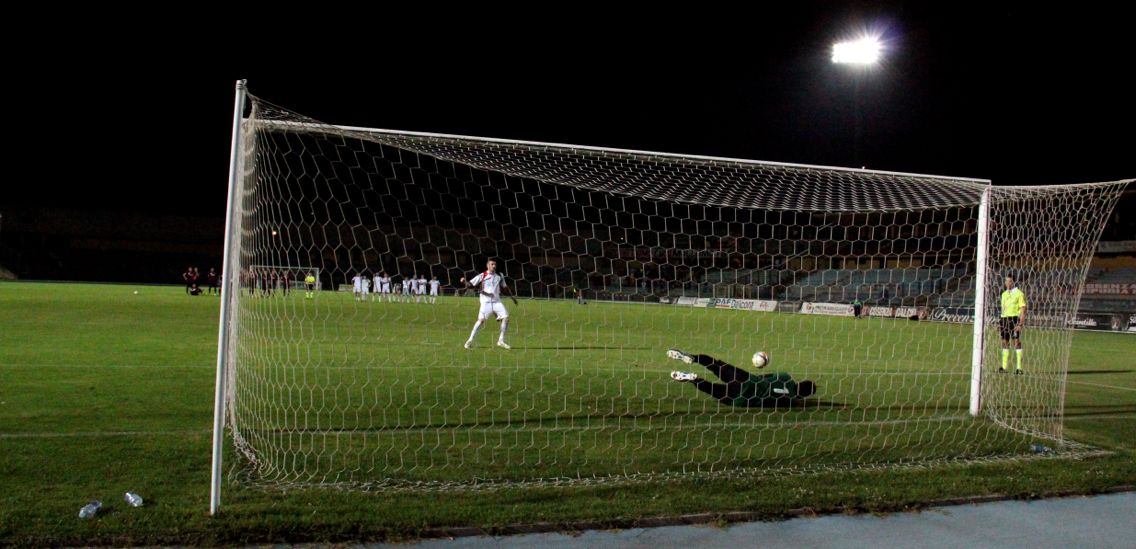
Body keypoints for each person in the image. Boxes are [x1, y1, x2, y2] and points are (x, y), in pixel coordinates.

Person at [666, 349, 816, 407]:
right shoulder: (790, 401)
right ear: (803, 396)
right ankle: (693, 379)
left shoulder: (785, 377)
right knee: (712, 390)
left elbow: (764, 376)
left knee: (715, 365)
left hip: (746, 380)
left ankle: (692, 358)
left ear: (800, 382)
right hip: (740, 399)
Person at [460, 258, 517, 349]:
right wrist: (464, 281)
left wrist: (512, 297)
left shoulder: (499, 275)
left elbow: (505, 288)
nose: (494, 266)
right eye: (492, 264)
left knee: (506, 318)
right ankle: (470, 340)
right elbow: (470, 285)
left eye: (495, 264)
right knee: (481, 321)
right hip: (486, 302)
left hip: (497, 301)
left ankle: (501, 341)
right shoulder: (482, 275)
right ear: (487, 265)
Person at [999, 275, 1027, 374]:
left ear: (1013, 282)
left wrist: (1020, 324)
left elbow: (1023, 310)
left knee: (1016, 342)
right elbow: (1003, 309)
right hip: (1004, 320)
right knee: (1004, 342)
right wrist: (1000, 322)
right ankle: (1004, 367)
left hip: (1014, 319)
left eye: (1009, 281)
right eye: (1006, 281)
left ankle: (1019, 368)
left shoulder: (1019, 293)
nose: (1007, 283)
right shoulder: (1003, 294)